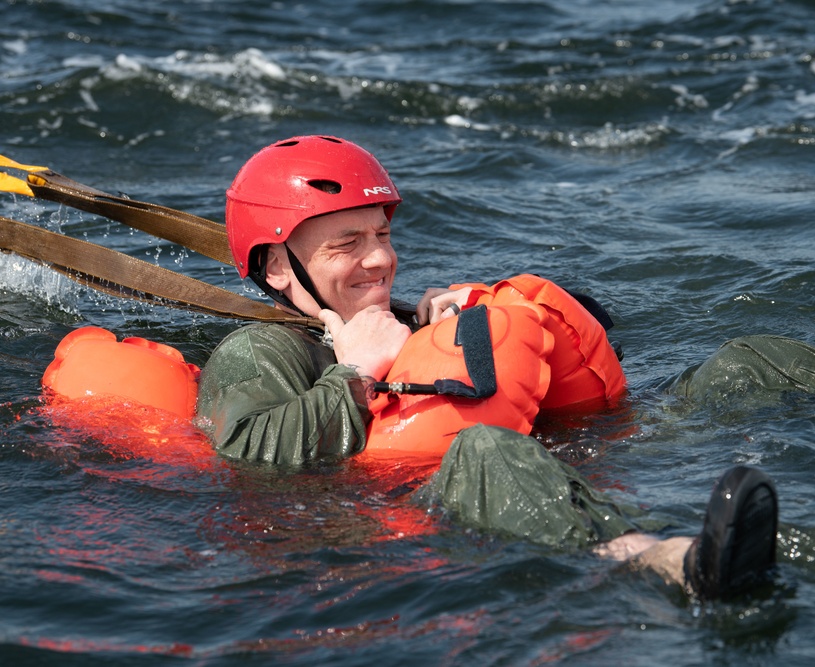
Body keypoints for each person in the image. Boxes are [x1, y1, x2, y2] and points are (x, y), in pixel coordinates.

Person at [195, 134, 779, 600]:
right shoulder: (258, 350)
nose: (379, 258)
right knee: (485, 449)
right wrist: (356, 371)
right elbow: (248, 455)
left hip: (573, 460)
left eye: (381, 234)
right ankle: (669, 562)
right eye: (346, 244)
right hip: (391, 529)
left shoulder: (412, 319)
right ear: (277, 265)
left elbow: (590, 333)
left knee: (747, 360)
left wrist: (467, 322)